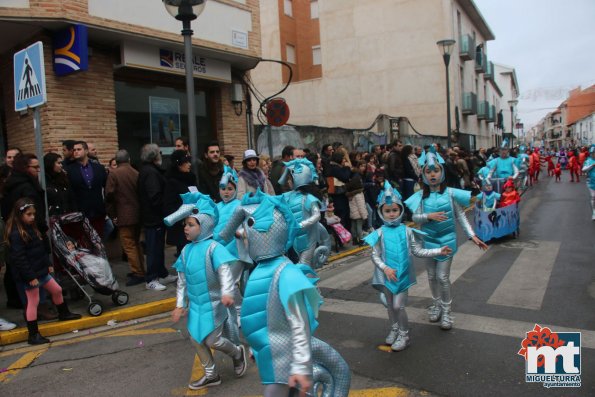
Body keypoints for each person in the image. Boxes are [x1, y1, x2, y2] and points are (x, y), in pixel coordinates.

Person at [218, 193, 351, 397]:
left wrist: (302, 366)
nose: (244, 239)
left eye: (247, 232)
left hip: (285, 358)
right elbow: (262, 316)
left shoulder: (285, 273)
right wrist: (257, 347)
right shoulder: (262, 271)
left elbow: (299, 323)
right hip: (273, 354)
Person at [167, 193, 247, 390]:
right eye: (184, 224)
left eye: (191, 224)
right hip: (196, 305)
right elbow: (182, 282)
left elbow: (225, 272)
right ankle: (211, 374)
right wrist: (179, 305)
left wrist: (227, 292)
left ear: (205, 225)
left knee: (213, 340)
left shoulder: (213, 248)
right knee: (195, 338)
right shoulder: (185, 251)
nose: (185, 228)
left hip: (214, 303)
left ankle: (237, 353)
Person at [404, 147, 488, 330]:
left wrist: (473, 236)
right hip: (428, 242)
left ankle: (447, 310)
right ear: (424, 174)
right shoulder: (420, 196)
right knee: (432, 276)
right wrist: (429, 216)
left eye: (436, 170)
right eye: (428, 171)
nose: (432, 174)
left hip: (447, 240)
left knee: (443, 277)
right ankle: (436, 305)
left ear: (441, 172)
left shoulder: (451, 193)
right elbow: (415, 218)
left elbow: (461, 215)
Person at [364, 182, 451, 351]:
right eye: (387, 211)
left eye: (394, 210)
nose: (391, 214)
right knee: (390, 305)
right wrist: (385, 269)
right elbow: (374, 254)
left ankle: (404, 334)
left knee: (398, 306)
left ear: (401, 210)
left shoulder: (407, 231)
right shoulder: (379, 233)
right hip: (386, 275)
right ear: (381, 212)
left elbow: (418, 251)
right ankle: (394, 328)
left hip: (402, 275)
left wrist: (438, 251)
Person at [6, 198, 81, 344]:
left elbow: (40, 250)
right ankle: (33, 334)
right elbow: (20, 259)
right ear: (19, 215)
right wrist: (30, 276)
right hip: (31, 275)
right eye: (29, 214)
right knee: (33, 302)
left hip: (40, 271)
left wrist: (47, 264)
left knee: (57, 290)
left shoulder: (31, 228)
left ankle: (63, 313)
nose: (32, 217)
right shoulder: (17, 234)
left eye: (33, 214)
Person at [105, 150, 146, 286]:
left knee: (129, 245)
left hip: (123, 215)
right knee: (137, 243)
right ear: (128, 159)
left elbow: (109, 195)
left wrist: (112, 214)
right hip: (138, 213)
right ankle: (141, 269)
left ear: (116, 161)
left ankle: (137, 273)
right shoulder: (136, 173)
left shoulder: (114, 174)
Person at [138, 144, 176, 291]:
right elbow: (155, 196)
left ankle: (161, 273)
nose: (161, 154)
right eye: (159, 152)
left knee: (159, 247)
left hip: (155, 217)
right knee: (153, 248)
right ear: (155, 156)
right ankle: (151, 278)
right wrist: (165, 208)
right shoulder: (151, 173)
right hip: (153, 218)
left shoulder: (150, 171)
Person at [279, 158, 329, 268]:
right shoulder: (287, 196)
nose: (288, 182)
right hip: (292, 239)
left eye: (290, 179)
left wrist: (301, 225)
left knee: (305, 267)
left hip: (308, 238)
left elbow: (317, 215)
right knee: (295, 267)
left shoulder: (308, 198)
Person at [65, 141, 108, 237]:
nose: (76, 152)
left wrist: (106, 205)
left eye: (79, 149)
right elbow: (69, 192)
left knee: (99, 239)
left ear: (86, 151)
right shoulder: (69, 170)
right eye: (74, 150)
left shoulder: (99, 168)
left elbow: (106, 187)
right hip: (80, 213)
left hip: (98, 211)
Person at [163, 150, 198, 256]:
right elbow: (168, 205)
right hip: (181, 226)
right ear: (178, 164)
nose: (189, 164)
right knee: (184, 254)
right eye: (186, 162)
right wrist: (181, 219)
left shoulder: (191, 178)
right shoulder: (172, 182)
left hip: (195, 221)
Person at [44, 152, 77, 217]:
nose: (61, 165)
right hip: (53, 218)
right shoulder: (44, 180)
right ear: (50, 164)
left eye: (61, 163)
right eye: (58, 163)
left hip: (67, 217)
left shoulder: (63, 178)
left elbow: (71, 198)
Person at [346, 161, 368, 246]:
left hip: (353, 213)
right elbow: (361, 206)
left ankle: (354, 239)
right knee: (359, 227)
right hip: (359, 214)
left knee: (353, 226)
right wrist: (364, 216)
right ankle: (361, 240)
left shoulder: (351, 194)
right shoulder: (359, 194)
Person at [581, 146, 595, 220]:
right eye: (593, 153)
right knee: (593, 197)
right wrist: (592, 165)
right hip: (591, 182)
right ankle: (594, 212)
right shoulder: (588, 161)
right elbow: (583, 169)